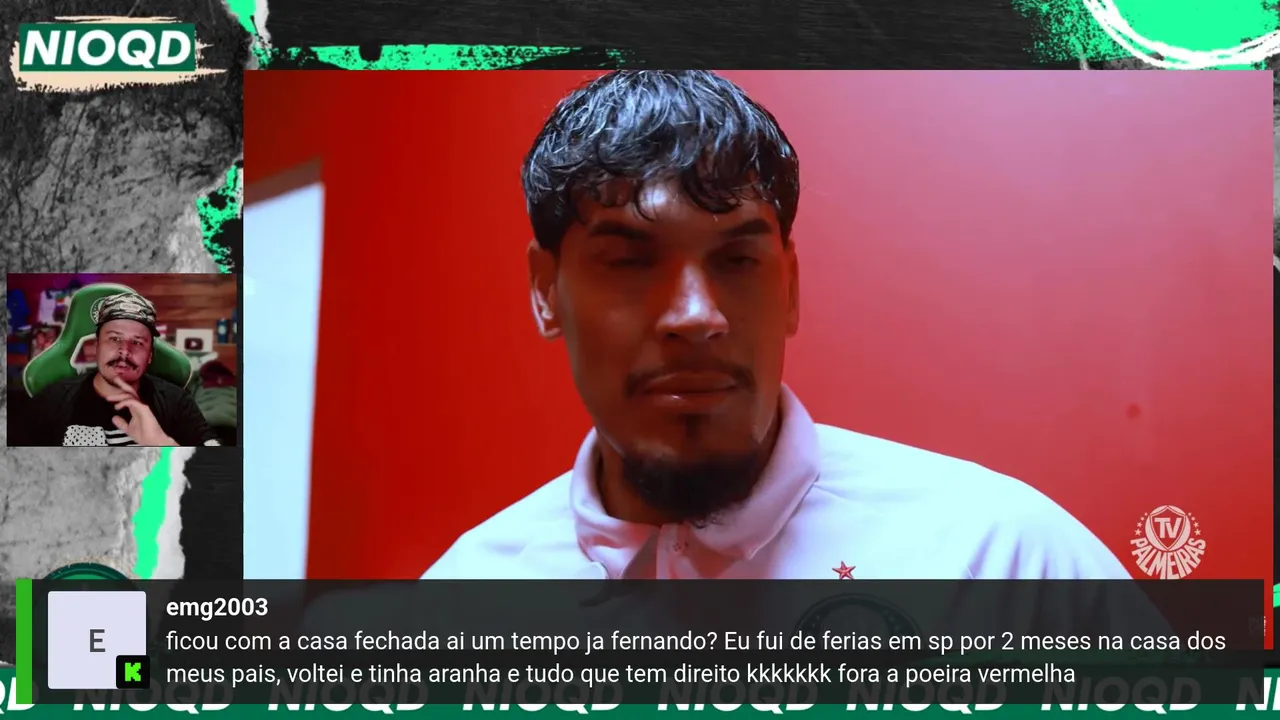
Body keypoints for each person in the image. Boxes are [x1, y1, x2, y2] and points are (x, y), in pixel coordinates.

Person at [422, 70, 1129, 581]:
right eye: (630, 262)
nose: (696, 316)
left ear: (788, 287)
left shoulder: (1001, 563)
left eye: (737, 260)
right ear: (546, 292)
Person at [19, 292, 218, 447]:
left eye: (137, 342)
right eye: (114, 339)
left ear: (150, 355)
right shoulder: (51, 402)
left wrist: (163, 444)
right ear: (96, 347)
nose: (125, 351)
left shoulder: (177, 402)